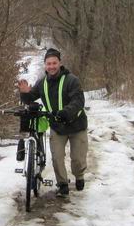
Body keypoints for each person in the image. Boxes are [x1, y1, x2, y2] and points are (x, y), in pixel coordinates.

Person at [18, 48, 88, 198]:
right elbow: (30, 98)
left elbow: (78, 101)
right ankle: (62, 185)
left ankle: (79, 176)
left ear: (60, 63)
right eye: (48, 63)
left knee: (77, 160)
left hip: (76, 125)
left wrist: (65, 112)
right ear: (45, 65)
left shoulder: (72, 80)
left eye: (54, 63)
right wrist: (24, 93)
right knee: (57, 158)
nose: (51, 66)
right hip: (57, 127)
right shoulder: (42, 83)